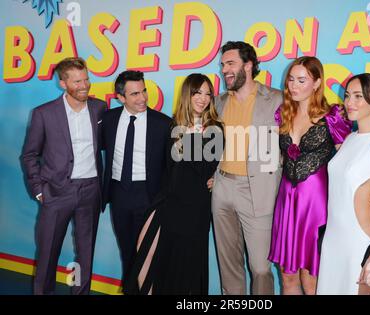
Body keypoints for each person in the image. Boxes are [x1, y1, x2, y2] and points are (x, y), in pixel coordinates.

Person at [121, 73, 223, 295]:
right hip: (167, 201)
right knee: (146, 250)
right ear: (188, 94)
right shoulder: (173, 124)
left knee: (186, 264)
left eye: (208, 94)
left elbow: (204, 170)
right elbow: (166, 167)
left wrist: (193, 134)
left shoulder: (216, 129)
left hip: (195, 207)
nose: (203, 98)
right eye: (198, 92)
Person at [21, 57, 107, 294]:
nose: (84, 85)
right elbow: (29, 155)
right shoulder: (44, 113)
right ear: (62, 83)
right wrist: (39, 190)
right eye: (77, 81)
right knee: (48, 253)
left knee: (84, 254)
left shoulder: (100, 108)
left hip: (90, 190)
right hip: (56, 192)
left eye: (86, 79)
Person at [268, 56, 352, 295]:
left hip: (316, 205)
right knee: (287, 277)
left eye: (301, 80)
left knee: (312, 279)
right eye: (291, 79)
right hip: (287, 201)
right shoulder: (282, 113)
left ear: (316, 83)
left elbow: (345, 164)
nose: (293, 85)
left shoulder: (333, 116)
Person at [317, 73, 370, 295]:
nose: (349, 103)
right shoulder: (350, 139)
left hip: (359, 243)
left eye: (358, 96)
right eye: (347, 96)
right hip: (333, 241)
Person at [212, 41, 283, 295]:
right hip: (222, 188)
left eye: (230, 64)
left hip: (258, 190)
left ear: (249, 65)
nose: (225, 70)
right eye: (222, 65)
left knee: (261, 267)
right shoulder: (218, 103)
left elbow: (289, 145)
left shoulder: (276, 99)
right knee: (228, 264)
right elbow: (210, 145)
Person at [101, 70, 171, 283]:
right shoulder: (108, 120)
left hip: (149, 195)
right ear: (120, 97)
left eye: (144, 91)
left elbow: (171, 166)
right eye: (134, 94)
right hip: (119, 192)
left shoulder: (163, 123)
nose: (142, 98)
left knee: (149, 253)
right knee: (127, 250)